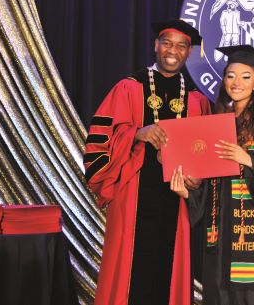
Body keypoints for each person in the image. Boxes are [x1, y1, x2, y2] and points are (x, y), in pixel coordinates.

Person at [83, 19, 211, 305]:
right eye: (167, 43)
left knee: (167, 273)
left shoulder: (197, 101)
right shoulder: (128, 88)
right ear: (156, 45)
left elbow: (203, 158)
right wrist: (136, 134)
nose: (172, 51)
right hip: (133, 196)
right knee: (130, 273)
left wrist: (197, 179)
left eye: (181, 46)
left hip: (175, 201)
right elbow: (98, 140)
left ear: (188, 53)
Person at [171, 45, 254, 305]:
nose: (236, 82)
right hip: (219, 221)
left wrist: (246, 159)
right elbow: (208, 175)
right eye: (230, 75)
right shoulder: (216, 120)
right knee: (218, 285)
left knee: (253, 290)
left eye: (245, 76)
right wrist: (189, 191)